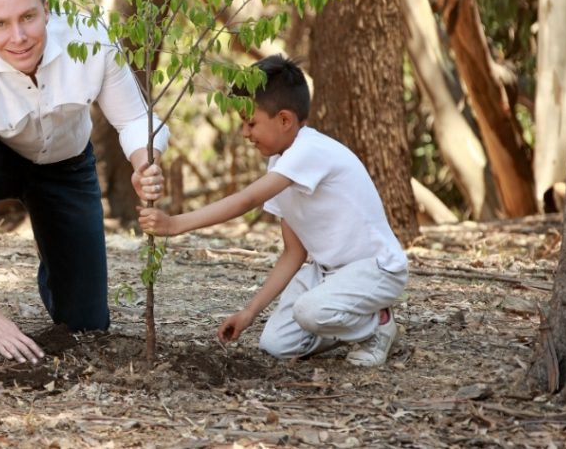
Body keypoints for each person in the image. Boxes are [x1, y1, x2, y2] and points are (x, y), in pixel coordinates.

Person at [0, 0, 169, 364]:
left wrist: (144, 162)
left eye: (28, 17)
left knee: (87, 326)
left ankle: (58, 262)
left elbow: (133, 118)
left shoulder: (91, 41)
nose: (18, 36)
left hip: (67, 165)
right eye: (1, 24)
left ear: (47, 9)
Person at [138, 55, 408, 367]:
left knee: (310, 312)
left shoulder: (309, 149)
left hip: (376, 270)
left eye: (251, 123)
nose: (245, 133)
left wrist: (174, 225)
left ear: (284, 120)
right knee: (276, 345)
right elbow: (293, 253)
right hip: (327, 274)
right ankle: (342, 321)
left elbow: (245, 201)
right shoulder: (280, 162)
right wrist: (249, 313)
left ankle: (378, 324)